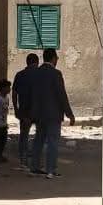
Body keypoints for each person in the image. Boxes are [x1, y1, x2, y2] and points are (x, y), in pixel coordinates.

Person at [28, 47, 75, 179]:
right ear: (54, 58)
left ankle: (34, 167)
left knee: (39, 140)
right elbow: (61, 95)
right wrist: (69, 114)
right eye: (57, 58)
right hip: (53, 114)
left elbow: (32, 94)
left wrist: (32, 112)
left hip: (39, 114)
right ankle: (50, 170)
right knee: (52, 141)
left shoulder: (36, 73)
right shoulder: (56, 74)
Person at [12, 51, 39, 171]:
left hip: (24, 110)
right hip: (38, 110)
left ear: (27, 62)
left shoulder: (20, 75)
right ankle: (35, 160)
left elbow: (14, 93)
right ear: (37, 62)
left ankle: (23, 159)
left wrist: (16, 108)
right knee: (40, 135)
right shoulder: (40, 75)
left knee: (23, 135)